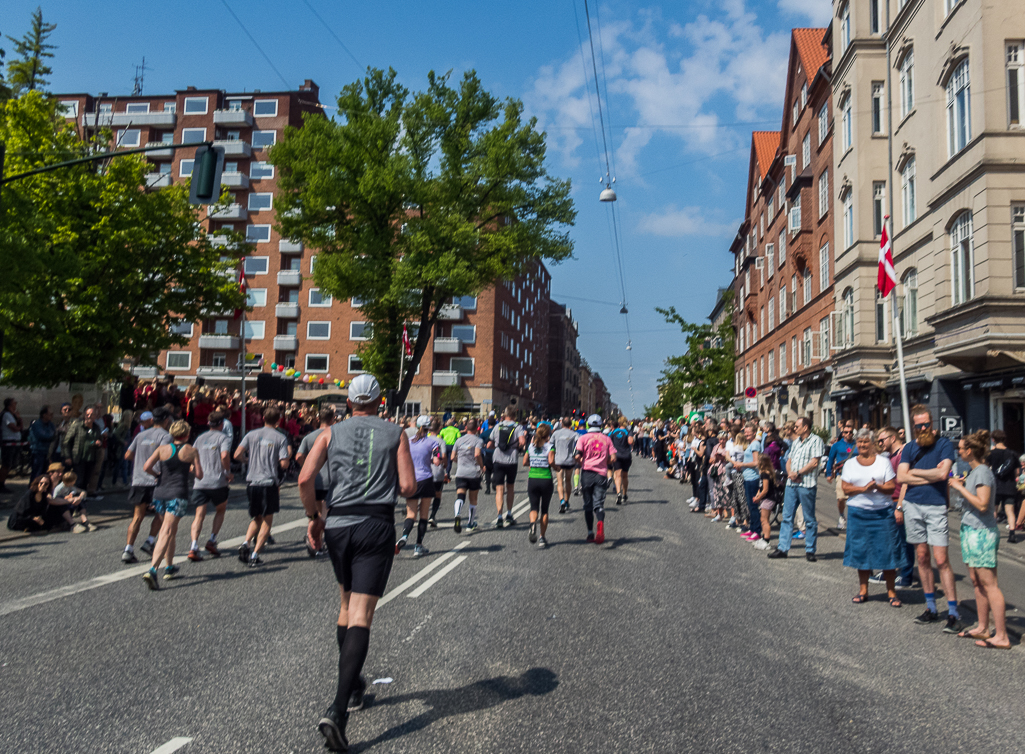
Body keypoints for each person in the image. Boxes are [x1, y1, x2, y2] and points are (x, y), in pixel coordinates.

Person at [298, 374, 416, 752]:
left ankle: (353, 687)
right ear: (380, 402)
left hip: (338, 524)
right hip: (375, 524)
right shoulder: (395, 432)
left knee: (346, 606)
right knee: (362, 614)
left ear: (349, 403)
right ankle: (338, 709)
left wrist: (313, 517)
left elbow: (304, 477)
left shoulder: (329, 433)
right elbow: (410, 487)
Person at [897, 405, 961, 632]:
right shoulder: (909, 448)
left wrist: (915, 473)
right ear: (913, 427)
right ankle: (931, 608)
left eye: (927, 424)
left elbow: (944, 474)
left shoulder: (944, 444)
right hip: (912, 505)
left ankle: (953, 612)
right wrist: (929, 476)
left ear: (932, 424)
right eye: (919, 425)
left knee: (941, 560)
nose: (923, 428)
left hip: (935, 507)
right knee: (922, 558)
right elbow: (900, 476)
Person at [946, 431, 1010, 648]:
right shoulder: (975, 471)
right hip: (971, 530)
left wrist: (959, 488)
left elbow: (983, 505)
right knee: (977, 581)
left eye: (961, 448)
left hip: (982, 533)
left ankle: (1001, 635)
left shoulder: (982, 472)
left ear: (969, 451)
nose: (958, 451)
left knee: (990, 584)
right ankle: (983, 628)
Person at [840, 429, 902, 606]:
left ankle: (892, 593)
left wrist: (878, 487)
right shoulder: (850, 464)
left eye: (865, 442)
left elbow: (891, 487)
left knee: (887, 552)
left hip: (882, 514)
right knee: (861, 552)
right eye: (859, 442)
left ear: (873, 443)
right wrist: (863, 489)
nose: (861, 445)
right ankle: (863, 590)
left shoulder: (883, 462)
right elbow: (845, 488)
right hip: (858, 513)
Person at [141, 420, 203, 589]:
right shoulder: (191, 450)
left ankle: (169, 566)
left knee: (171, 530)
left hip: (160, 493)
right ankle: (153, 569)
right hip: (177, 493)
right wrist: (189, 468)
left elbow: (146, 466)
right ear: (187, 434)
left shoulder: (162, 449)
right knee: (167, 530)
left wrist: (157, 474)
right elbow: (199, 474)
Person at [234, 406, 290, 568]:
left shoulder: (251, 434)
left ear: (263, 418)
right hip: (268, 483)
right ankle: (255, 555)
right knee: (267, 521)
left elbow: (237, 454)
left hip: (252, 482)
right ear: (278, 421)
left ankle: (246, 543)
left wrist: (248, 461)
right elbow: (284, 464)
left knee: (256, 517)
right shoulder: (280, 438)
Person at [768, 416, 824, 562]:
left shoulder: (816, 440)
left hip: (806, 484)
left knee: (809, 519)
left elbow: (814, 462)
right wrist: (791, 473)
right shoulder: (796, 442)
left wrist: (799, 473)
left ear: (805, 427)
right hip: (792, 484)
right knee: (787, 517)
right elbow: (790, 460)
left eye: (797, 426)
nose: (794, 428)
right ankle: (782, 548)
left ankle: (810, 550)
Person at [122, 408, 171, 563]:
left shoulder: (140, 435)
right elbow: (164, 456)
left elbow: (128, 455)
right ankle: (150, 541)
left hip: (138, 480)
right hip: (156, 480)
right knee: (161, 513)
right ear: (165, 421)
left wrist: (139, 462)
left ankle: (128, 549)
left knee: (137, 516)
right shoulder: (166, 436)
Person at [870, 427, 916, 588]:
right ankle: (889, 571)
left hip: (899, 502)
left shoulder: (902, 455)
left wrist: (900, 507)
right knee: (890, 540)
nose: (880, 443)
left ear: (893, 438)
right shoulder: (891, 456)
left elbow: (905, 483)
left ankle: (906, 576)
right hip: (889, 502)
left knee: (904, 541)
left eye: (882, 440)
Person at [187, 411, 235, 561]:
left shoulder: (200, 438)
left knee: (199, 514)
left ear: (208, 424)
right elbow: (225, 455)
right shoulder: (223, 438)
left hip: (200, 482)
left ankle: (194, 546)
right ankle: (212, 540)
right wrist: (227, 472)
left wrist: (194, 469)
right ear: (222, 424)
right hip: (217, 481)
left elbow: (191, 456)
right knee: (220, 509)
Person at [397, 416, 442, 557]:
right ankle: (418, 546)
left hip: (411, 479)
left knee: (410, 514)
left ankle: (404, 536)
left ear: (416, 426)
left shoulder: (409, 442)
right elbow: (437, 461)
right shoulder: (433, 443)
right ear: (429, 427)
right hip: (426, 480)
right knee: (423, 515)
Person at [575, 414, 615, 544]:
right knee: (599, 504)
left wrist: (582, 463)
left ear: (589, 425)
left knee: (588, 504)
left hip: (587, 472)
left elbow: (577, 456)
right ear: (600, 425)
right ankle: (600, 521)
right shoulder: (607, 439)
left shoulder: (583, 438)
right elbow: (613, 457)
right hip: (601, 473)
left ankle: (590, 533)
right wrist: (605, 462)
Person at [489, 406, 526, 528]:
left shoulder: (497, 426)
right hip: (511, 460)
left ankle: (499, 516)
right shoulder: (518, 427)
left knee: (499, 489)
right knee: (510, 487)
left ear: (504, 415)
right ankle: (509, 514)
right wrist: (517, 446)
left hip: (498, 459)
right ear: (514, 416)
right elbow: (522, 442)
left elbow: (490, 443)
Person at [523, 422, 555, 548]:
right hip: (546, 479)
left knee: (533, 507)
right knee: (545, 509)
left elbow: (525, 462)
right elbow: (551, 461)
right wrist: (556, 467)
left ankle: (532, 524)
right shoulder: (550, 447)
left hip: (533, 479)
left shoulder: (531, 447)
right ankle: (542, 537)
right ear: (548, 435)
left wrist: (533, 463)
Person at [451, 419, 486, 533]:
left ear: (466, 428)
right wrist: (482, 466)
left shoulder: (459, 440)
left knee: (460, 496)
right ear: (477, 429)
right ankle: (470, 523)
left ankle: (457, 514)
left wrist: (459, 462)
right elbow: (477, 454)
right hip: (473, 472)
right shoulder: (478, 440)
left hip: (461, 472)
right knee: (473, 498)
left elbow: (452, 457)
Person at [62, 407, 103, 501]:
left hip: (91, 458)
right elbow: (66, 442)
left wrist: (98, 443)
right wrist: (67, 456)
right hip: (78, 458)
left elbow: (99, 439)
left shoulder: (96, 428)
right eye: (87, 414)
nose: (89, 416)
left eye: (91, 415)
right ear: (84, 415)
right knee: (78, 481)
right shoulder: (77, 426)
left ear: (95, 416)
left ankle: (82, 501)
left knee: (86, 481)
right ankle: (74, 501)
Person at [988, 430, 1020, 544]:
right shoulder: (1012, 454)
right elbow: (1017, 472)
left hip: (996, 485)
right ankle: (1012, 534)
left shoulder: (991, 454)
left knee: (994, 509)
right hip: (1010, 486)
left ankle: (992, 532)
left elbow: (986, 468)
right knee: (1010, 511)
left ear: (993, 440)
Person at [825, 422, 855, 531]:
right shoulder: (836, 445)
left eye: (850, 432)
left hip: (856, 476)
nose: (848, 434)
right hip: (841, 475)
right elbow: (831, 459)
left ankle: (853, 519)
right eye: (846, 432)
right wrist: (829, 474)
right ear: (842, 433)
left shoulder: (856, 444)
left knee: (854, 499)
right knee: (841, 498)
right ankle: (842, 515)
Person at [551, 417, 578, 514]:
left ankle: (561, 500)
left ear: (562, 424)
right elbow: (578, 445)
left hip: (559, 460)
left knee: (560, 482)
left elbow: (551, 445)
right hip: (570, 460)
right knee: (568, 481)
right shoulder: (574, 434)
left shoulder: (555, 433)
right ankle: (567, 501)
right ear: (570, 425)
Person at [750, 455, 777, 551]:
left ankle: (766, 540)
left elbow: (765, 489)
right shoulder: (764, 473)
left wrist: (759, 498)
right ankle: (763, 538)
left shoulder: (765, 474)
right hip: (765, 499)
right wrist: (757, 496)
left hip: (768, 499)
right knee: (763, 520)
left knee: (764, 520)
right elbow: (760, 488)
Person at [427, 418, 448, 528]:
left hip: (425, 470)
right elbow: (443, 456)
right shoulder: (440, 441)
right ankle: (432, 516)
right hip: (437, 470)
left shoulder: (424, 439)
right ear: (439, 428)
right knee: (437, 494)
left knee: (425, 494)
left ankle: (423, 515)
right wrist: (445, 465)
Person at [1, 398, 24, 494]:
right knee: (6, 464)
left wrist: (18, 419)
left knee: (9, 464)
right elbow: (14, 428)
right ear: (10, 405)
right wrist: (19, 426)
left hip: (13, 442)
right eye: (14, 403)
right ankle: (1, 484)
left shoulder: (12, 415)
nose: (16, 405)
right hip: (8, 441)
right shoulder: (7, 415)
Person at [609, 417, 634, 505]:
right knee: (625, 476)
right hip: (626, 455)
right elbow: (630, 441)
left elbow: (609, 441)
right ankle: (624, 494)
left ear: (619, 423)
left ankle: (618, 492)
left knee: (617, 475)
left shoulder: (614, 432)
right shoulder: (628, 431)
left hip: (617, 455)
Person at [27, 406, 56, 481]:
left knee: (45, 473)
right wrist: (53, 435)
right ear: (44, 415)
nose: (52, 416)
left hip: (47, 452)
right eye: (50, 414)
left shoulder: (50, 424)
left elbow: (54, 433)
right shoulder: (37, 424)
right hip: (38, 452)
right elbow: (42, 436)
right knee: (37, 473)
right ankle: (33, 490)